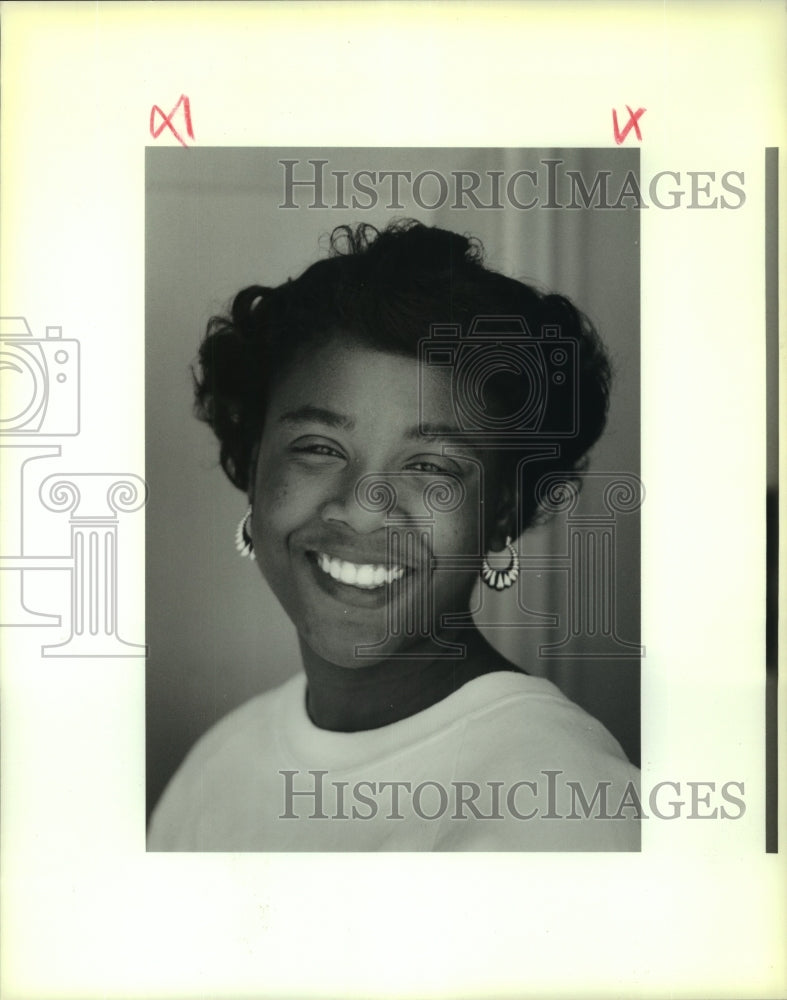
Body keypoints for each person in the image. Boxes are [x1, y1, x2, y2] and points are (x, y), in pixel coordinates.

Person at [147, 220, 640, 851]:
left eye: (431, 466)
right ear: (251, 464)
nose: (362, 505)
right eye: (319, 447)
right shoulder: (217, 764)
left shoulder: (569, 810)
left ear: (502, 514)